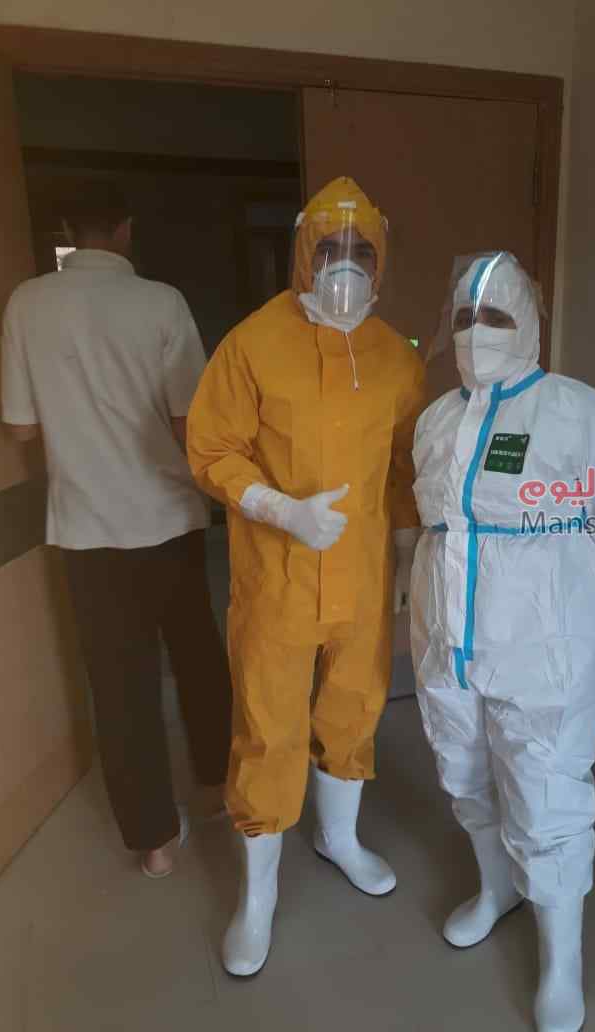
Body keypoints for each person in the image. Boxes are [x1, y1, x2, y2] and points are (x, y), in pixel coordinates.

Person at [187, 177, 426, 976]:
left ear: (381, 257)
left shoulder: (397, 358)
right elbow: (212, 447)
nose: (345, 264)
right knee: (269, 725)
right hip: (279, 576)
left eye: (362, 251)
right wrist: (279, 509)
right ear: (304, 253)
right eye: (330, 248)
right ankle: (257, 898)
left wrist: (405, 554)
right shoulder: (252, 344)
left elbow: (405, 467)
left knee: (354, 709)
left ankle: (340, 838)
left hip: (362, 578)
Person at [410, 252, 595, 1031]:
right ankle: (497, 888)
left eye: (496, 316)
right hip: (447, 632)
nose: (476, 332)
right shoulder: (435, 420)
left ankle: (561, 962)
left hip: (545, 635)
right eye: (463, 317)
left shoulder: (585, 415)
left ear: (530, 324)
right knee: (462, 768)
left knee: (546, 788)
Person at [0, 180, 232, 879]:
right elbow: (192, 420)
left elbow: (19, 426)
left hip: (86, 530)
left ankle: (154, 842)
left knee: (119, 683)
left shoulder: (27, 303)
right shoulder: (161, 302)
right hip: (168, 518)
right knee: (197, 658)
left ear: (66, 229)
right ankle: (218, 789)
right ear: (126, 228)